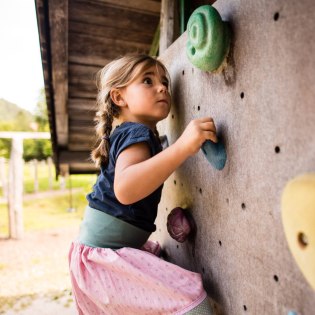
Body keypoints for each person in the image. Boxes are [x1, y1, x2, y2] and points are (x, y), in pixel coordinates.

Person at [68, 54, 218, 314]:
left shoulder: (136, 135)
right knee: (194, 304)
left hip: (100, 257)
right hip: (104, 259)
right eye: (147, 81)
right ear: (119, 97)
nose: (161, 87)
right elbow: (126, 190)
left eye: (164, 83)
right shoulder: (136, 132)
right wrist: (183, 147)